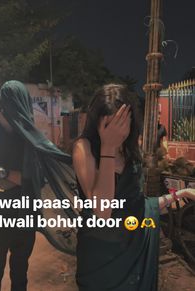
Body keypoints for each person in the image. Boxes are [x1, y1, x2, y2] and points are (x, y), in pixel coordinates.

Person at [72, 83, 195, 291]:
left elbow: (139, 206)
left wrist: (180, 194)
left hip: (134, 253)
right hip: (102, 260)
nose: (116, 132)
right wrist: (107, 147)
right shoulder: (84, 148)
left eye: (122, 123)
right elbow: (102, 211)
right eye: (109, 125)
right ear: (97, 122)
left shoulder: (131, 150)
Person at [0, 80, 78, 291]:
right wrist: (21, 177)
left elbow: (41, 178)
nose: (20, 121)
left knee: (20, 276)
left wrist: (3, 174)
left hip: (25, 221)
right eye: (14, 115)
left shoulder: (29, 139)